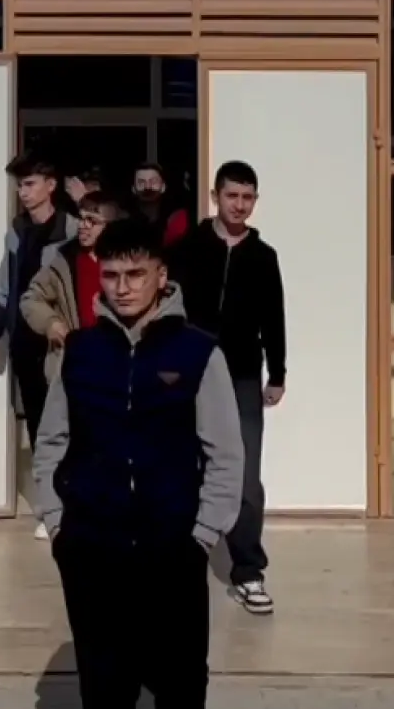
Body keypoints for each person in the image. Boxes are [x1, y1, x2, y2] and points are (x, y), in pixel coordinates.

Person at [34, 217, 243, 709]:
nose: (122, 288)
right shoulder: (80, 353)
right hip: (92, 550)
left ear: (160, 276)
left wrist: (203, 536)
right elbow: (51, 441)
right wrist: (58, 523)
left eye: (135, 274)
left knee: (181, 687)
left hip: (172, 550)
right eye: (111, 275)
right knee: (104, 690)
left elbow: (225, 454)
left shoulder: (197, 352)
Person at [170, 160, 286, 615]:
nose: (239, 205)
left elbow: (274, 318)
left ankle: (248, 571)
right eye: (231, 195)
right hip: (190, 370)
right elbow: (168, 306)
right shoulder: (187, 249)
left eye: (247, 197)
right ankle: (180, 561)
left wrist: (277, 374)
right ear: (215, 196)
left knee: (245, 475)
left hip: (241, 375)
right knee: (183, 467)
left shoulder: (263, 256)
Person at [0, 153, 78, 538]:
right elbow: (4, 284)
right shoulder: (17, 232)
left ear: (51, 186)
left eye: (30, 184)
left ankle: (74, 502)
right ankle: (51, 507)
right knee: (40, 426)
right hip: (25, 343)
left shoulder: (71, 230)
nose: (23, 192)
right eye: (20, 185)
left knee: (71, 422)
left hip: (62, 344)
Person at [20, 190, 126, 384]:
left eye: (92, 221)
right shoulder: (64, 260)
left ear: (110, 226)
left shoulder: (124, 263)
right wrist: (50, 323)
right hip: (72, 364)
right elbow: (31, 298)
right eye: (81, 218)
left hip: (115, 363)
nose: (83, 225)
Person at [131, 161, 190, 247]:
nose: (147, 187)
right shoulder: (124, 224)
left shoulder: (177, 219)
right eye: (141, 182)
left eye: (153, 182)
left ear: (163, 187)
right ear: (133, 189)